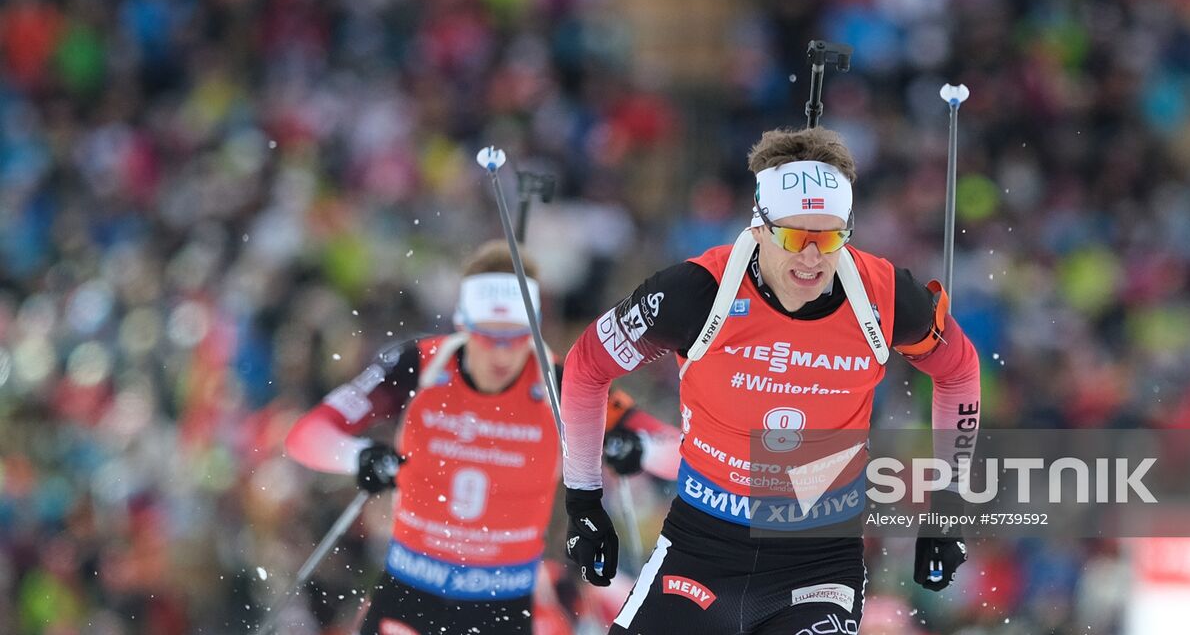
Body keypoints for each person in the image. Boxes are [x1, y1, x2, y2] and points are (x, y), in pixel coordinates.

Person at [558, 127, 982, 634]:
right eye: (794, 237)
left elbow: (958, 372)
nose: (812, 257)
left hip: (817, 561)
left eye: (828, 238)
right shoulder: (697, 293)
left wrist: (947, 509)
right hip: (700, 549)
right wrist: (583, 501)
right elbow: (587, 368)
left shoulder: (885, 296)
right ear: (759, 227)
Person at [285, 240, 680, 635]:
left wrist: (638, 448)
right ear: (462, 323)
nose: (503, 355)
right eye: (489, 336)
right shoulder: (417, 364)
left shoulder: (564, 384)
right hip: (412, 590)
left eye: (517, 337)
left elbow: (684, 451)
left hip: (502, 604)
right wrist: (357, 456)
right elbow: (305, 435)